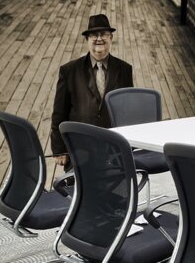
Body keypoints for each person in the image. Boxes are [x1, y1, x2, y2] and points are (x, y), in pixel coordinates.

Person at [50, 14, 133, 169]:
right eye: (94, 34)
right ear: (87, 39)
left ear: (111, 37)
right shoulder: (69, 71)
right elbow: (59, 112)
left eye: (104, 34)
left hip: (113, 148)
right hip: (80, 149)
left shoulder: (124, 69)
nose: (99, 38)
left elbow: (127, 111)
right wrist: (59, 149)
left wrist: (130, 145)